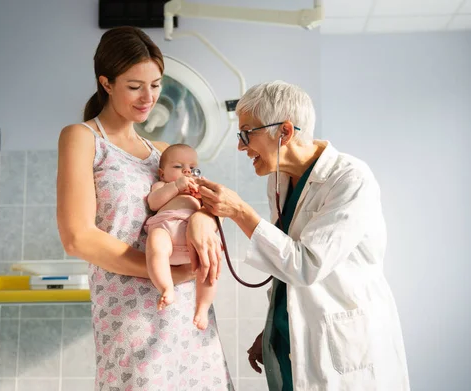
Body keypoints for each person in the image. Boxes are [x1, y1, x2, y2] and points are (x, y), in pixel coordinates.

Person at [196, 80, 411, 390]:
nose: (241, 146)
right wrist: (274, 327)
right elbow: (283, 263)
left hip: (343, 344)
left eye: (247, 134)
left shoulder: (350, 179)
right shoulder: (279, 178)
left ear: (284, 131)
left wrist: (240, 212)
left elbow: (306, 264)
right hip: (293, 335)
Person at [56, 26, 233, 390]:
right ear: (106, 83)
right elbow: (78, 238)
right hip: (131, 319)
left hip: (189, 315)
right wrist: (164, 273)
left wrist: (202, 218)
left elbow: (191, 203)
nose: (148, 97)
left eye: (155, 85)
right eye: (134, 86)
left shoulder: (162, 151)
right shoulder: (83, 138)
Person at [144, 143, 217, 330]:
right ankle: (166, 287)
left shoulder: (199, 190)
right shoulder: (162, 186)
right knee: (155, 244)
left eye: (192, 168)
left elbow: (217, 213)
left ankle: (202, 308)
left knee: (209, 266)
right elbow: (153, 203)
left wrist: (205, 194)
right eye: (178, 167)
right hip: (167, 231)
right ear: (162, 173)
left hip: (195, 240)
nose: (186, 172)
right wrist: (176, 186)